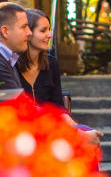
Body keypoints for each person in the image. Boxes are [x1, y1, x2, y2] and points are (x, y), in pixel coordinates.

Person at [17, 8, 101, 145]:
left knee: (86, 131)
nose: (49, 35)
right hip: (26, 129)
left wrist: (73, 125)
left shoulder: (51, 64)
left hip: (52, 127)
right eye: (43, 31)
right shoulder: (12, 66)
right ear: (28, 33)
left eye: (49, 29)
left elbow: (58, 106)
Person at [0, 1, 31, 91]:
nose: (29, 32)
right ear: (5, 31)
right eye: (24, 27)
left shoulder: (6, 56)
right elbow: (19, 102)